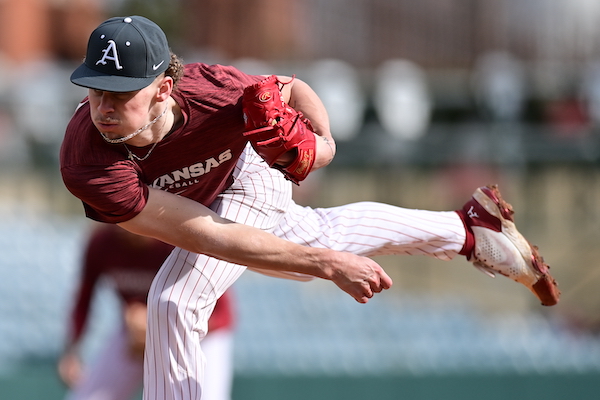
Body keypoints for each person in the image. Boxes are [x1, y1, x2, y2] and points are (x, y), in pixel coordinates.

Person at [60, 15, 559, 400]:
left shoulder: (212, 91)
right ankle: (467, 230)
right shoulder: (86, 159)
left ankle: (466, 231)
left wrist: (324, 145)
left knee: (174, 299)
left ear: (163, 89)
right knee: (316, 241)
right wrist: (325, 265)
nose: (103, 106)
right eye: (96, 90)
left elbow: (289, 87)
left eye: (121, 93)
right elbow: (205, 234)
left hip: (246, 173)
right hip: (200, 211)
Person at [57, 224, 235, 400]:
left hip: (200, 335)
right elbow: (84, 298)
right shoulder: (103, 243)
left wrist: (160, 326)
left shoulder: (177, 241)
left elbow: (219, 311)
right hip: (136, 336)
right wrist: (72, 349)